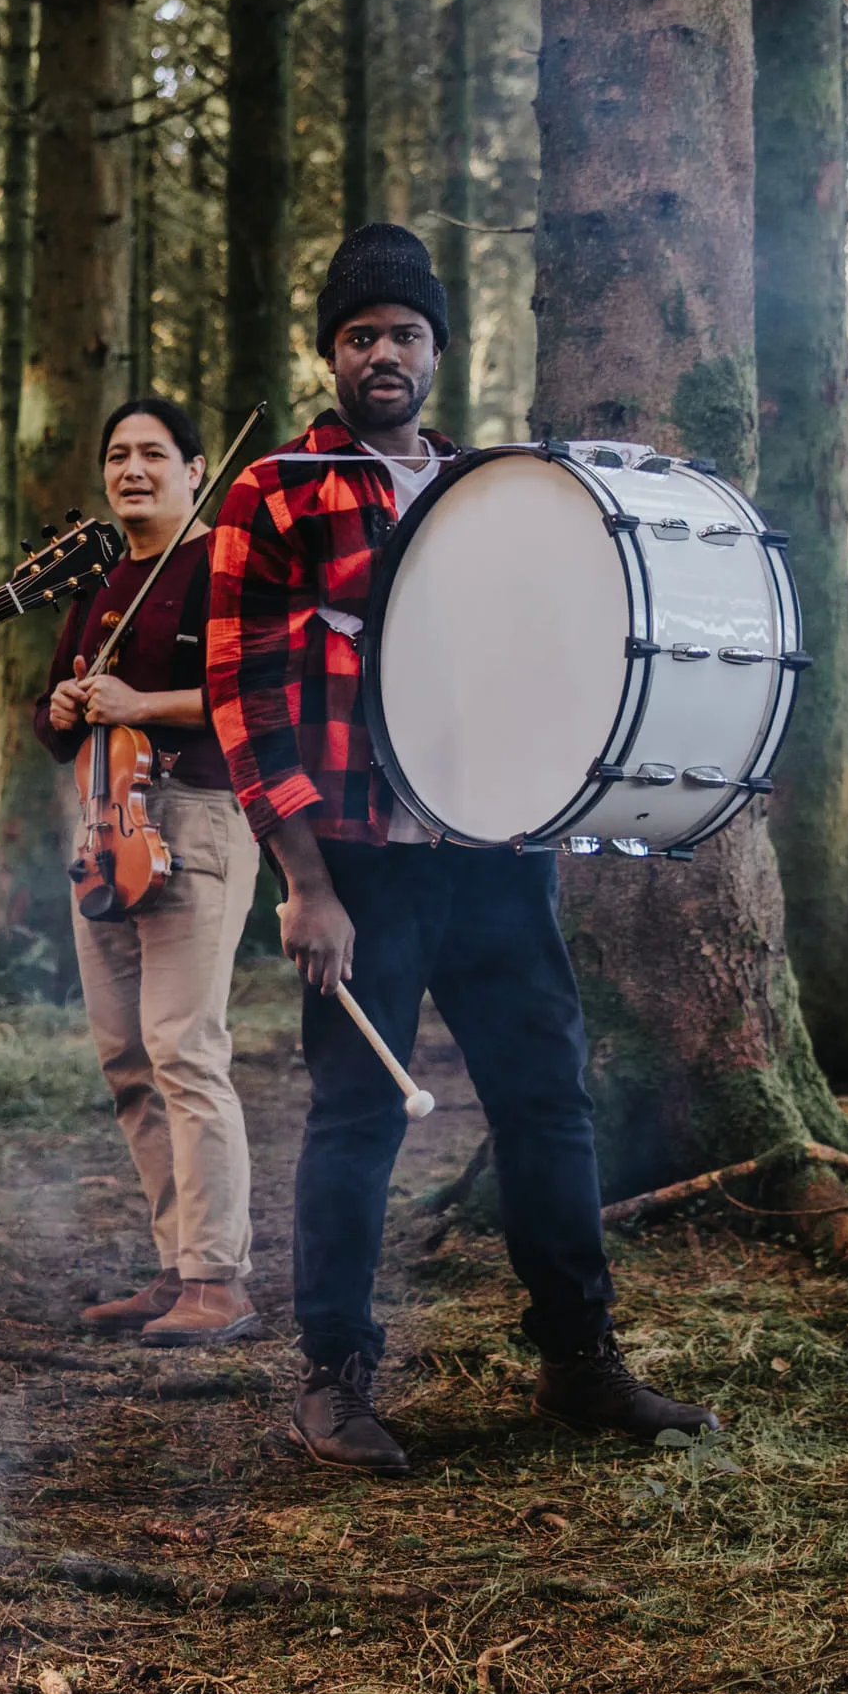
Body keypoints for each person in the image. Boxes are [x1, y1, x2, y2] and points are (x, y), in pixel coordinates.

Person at [206, 224, 717, 1477]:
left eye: (407, 334)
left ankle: (579, 1357)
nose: (384, 353)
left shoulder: (496, 487)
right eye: (361, 334)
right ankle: (331, 1376)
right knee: (357, 1112)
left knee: (548, 1102)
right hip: (360, 859)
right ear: (331, 352)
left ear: (438, 349)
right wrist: (304, 882)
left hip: (497, 851)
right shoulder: (274, 491)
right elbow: (240, 692)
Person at [38, 397, 263, 1349]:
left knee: (184, 1047)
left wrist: (143, 701)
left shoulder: (223, 564)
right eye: (119, 454)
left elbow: (252, 696)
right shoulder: (101, 580)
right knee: (127, 1057)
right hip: (104, 825)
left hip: (199, 817)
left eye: (154, 454)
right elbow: (53, 729)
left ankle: (222, 1278)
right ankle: (176, 1265)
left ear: (196, 468)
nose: (133, 469)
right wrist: (61, 705)